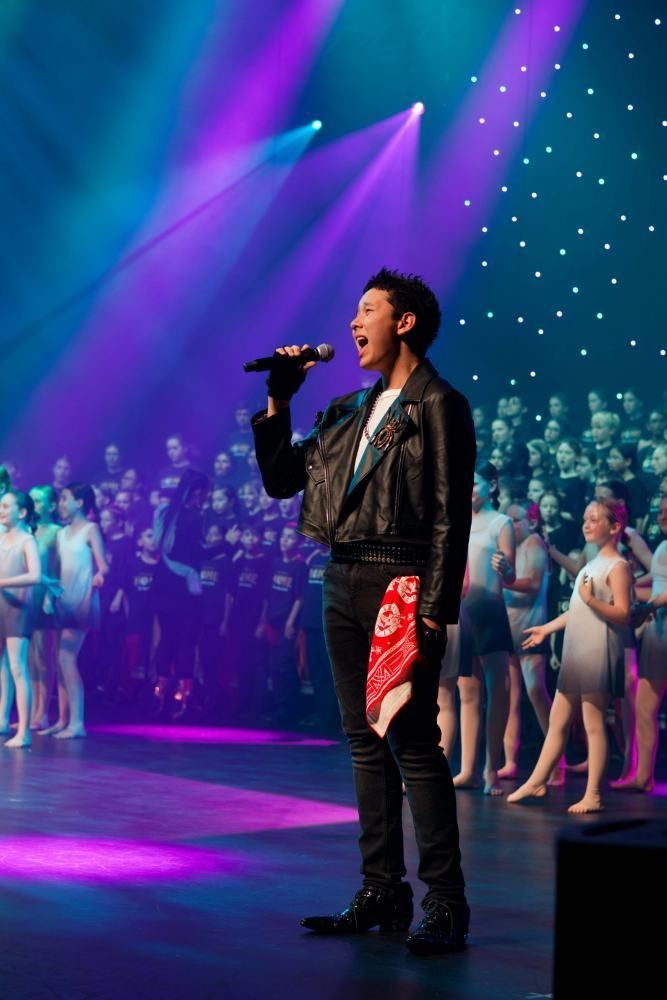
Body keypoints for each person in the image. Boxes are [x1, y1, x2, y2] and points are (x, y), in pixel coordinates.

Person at [251, 268, 475, 956]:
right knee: (362, 740)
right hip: (342, 576)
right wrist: (278, 402)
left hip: (401, 580)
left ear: (403, 322)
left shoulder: (438, 404)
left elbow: (448, 514)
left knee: (409, 739)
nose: (352, 324)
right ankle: (382, 889)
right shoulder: (349, 408)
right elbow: (282, 480)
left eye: (367, 310)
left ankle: (443, 900)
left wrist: (432, 611)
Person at [508, 499, 632, 813]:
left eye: (594, 519)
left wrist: (591, 600)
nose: (586, 524)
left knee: (593, 723)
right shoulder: (589, 565)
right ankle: (537, 780)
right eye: (585, 518)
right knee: (557, 720)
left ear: (614, 527)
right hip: (578, 647)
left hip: (597, 649)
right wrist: (546, 629)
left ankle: (594, 794)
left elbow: (622, 613)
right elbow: (577, 608)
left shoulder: (618, 566)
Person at [455, 462, 515, 796]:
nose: (469, 488)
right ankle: (468, 770)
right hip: (463, 612)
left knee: (497, 691)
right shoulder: (460, 519)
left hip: (490, 611)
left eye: (475, 482)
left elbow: (510, 574)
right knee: (468, 693)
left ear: (491, 485)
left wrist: (505, 567)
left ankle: (492, 767)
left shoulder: (501, 523)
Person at [498, 501, 563, 784]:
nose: (510, 525)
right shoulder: (512, 547)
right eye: (508, 519)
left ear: (531, 522)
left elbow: (533, 583)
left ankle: (556, 763)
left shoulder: (535, 543)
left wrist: (501, 581)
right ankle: (510, 761)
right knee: (510, 699)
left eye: (515, 520)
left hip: (530, 630)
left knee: (537, 693)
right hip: (511, 630)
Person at [39, 484, 108, 739]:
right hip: (63, 601)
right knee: (60, 659)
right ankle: (62, 720)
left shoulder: (91, 529)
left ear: (79, 502)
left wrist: (100, 576)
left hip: (82, 601)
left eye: (65, 499)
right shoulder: (62, 533)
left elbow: (104, 566)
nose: (61, 504)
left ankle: (77, 723)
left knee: (67, 658)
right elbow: (56, 570)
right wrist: (49, 595)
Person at [152, 468, 209, 718]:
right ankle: (182, 699)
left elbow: (159, 547)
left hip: (163, 583)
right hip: (186, 588)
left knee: (166, 638)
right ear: (196, 492)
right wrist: (225, 545)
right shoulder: (195, 517)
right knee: (186, 641)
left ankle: (160, 694)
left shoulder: (165, 513)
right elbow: (198, 554)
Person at [623, 497, 667, 791]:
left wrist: (649, 605)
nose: (662, 517)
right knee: (644, 706)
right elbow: (656, 585)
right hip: (658, 631)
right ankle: (643, 777)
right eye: (661, 511)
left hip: (660, 624)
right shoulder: (663, 546)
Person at [0, 491, 42, 748]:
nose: (1, 511)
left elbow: (35, 575)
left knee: (17, 667)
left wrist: (2, 582)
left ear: (22, 512)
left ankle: (24, 731)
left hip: (17, 609)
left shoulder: (27, 540)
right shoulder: (1, 538)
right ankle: (2, 717)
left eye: (5, 506)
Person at [28, 486, 61, 730]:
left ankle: (44, 709)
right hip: (26, 598)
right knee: (29, 658)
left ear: (50, 506)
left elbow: (59, 569)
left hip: (45, 599)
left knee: (44, 657)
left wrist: (51, 596)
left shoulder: (55, 532)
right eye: (31, 500)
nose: (33, 504)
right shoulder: (28, 531)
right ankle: (31, 709)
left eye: (38, 501)